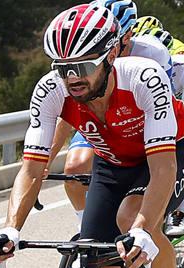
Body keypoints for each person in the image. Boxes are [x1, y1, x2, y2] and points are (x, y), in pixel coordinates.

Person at [0, 4, 184, 268]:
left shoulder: (144, 77)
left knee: (131, 219)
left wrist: (141, 229)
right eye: (62, 69)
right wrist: (10, 229)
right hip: (113, 162)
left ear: (111, 54)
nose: (72, 78)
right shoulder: (52, 91)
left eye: (82, 67)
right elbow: (32, 169)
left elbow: (163, 169)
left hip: (168, 154)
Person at [56, 1, 176, 217]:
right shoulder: (84, 63)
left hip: (138, 120)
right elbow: (69, 111)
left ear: (127, 35)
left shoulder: (152, 53)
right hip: (99, 118)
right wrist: (43, 163)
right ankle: (84, 224)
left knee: (137, 203)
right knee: (74, 169)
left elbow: (161, 108)